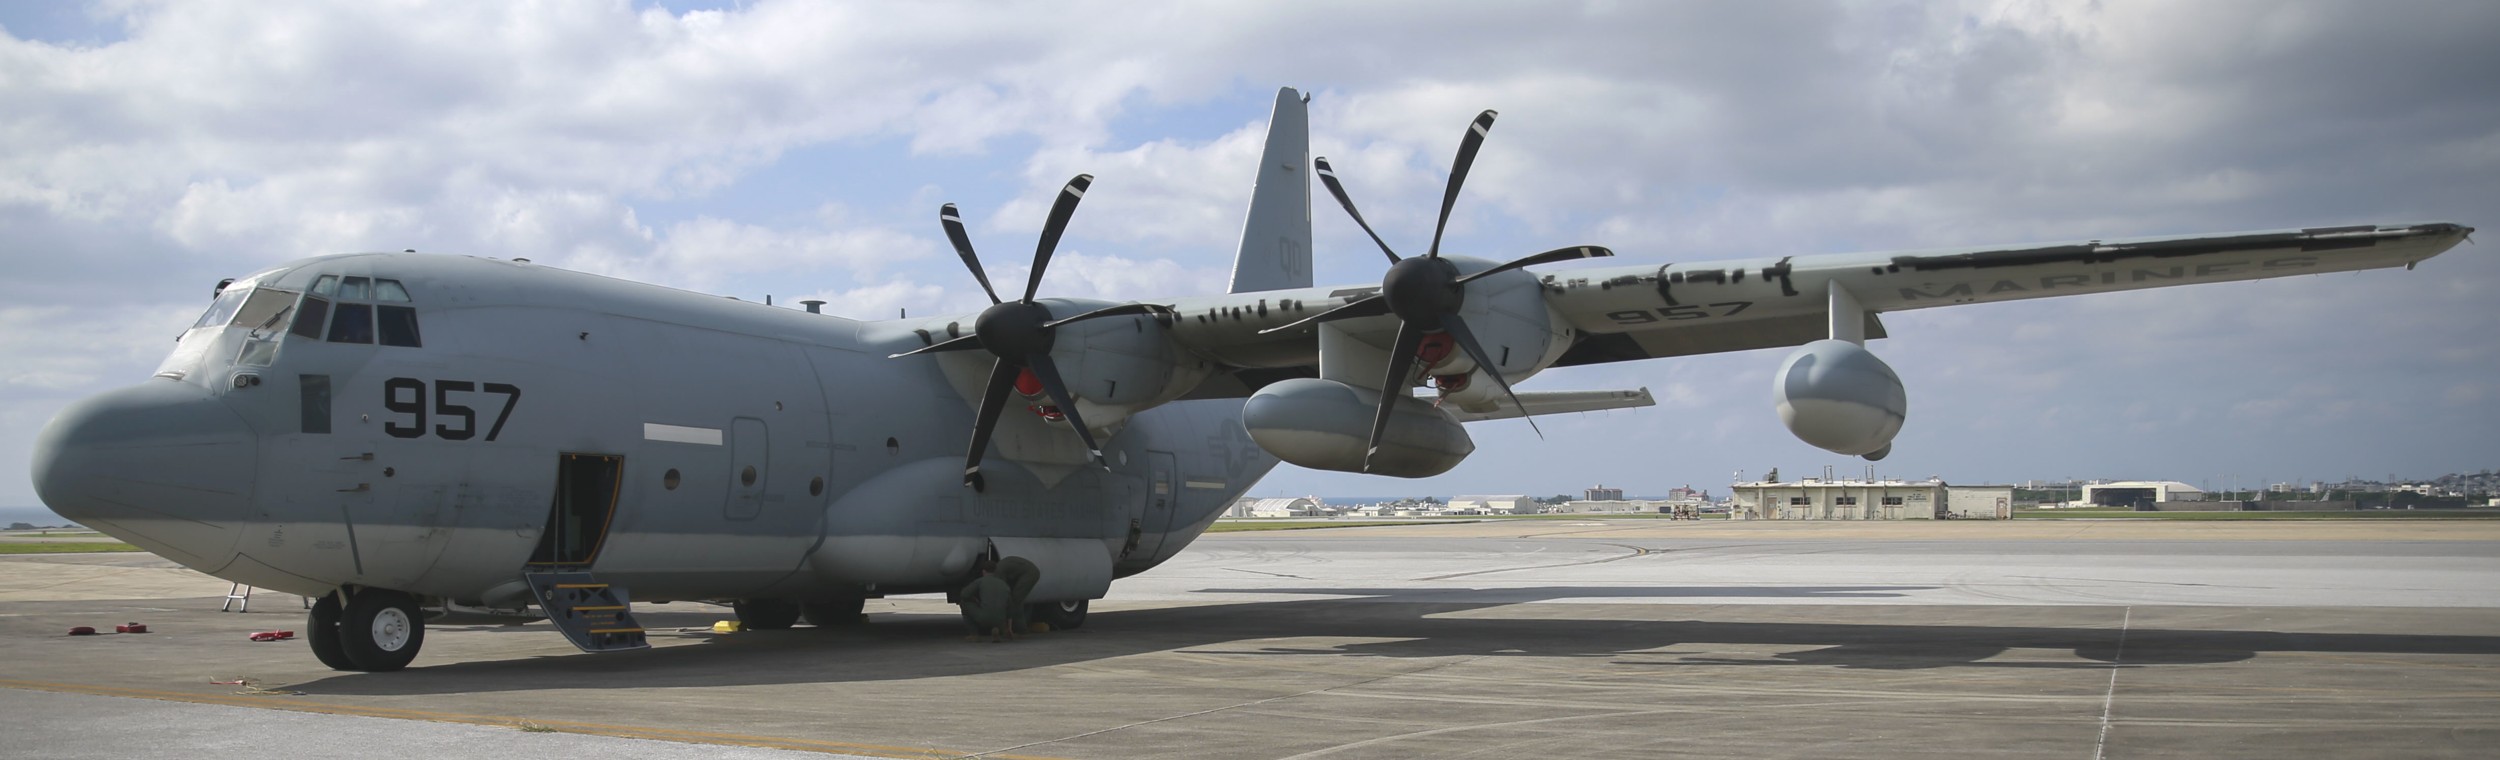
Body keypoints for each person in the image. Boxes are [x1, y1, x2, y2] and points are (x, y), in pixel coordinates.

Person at [956, 558, 1012, 642]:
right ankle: (999, 629)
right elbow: (1010, 606)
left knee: (964, 603)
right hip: (1001, 620)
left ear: (983, 571)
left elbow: (964, 594)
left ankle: (974, 634)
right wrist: (1009, 626)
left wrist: (975, 600)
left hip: (984, 618)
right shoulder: (1004, 584)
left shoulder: (980, 581)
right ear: (995, 571)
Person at [995, 554, 1041, 633]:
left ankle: (1021, 629)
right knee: (1018, 599)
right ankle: (1021, 625)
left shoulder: (998, 571)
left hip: (1029, 574)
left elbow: (1002, 590)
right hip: (1029, 571)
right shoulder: (1001, 566)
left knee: (1016, 602)